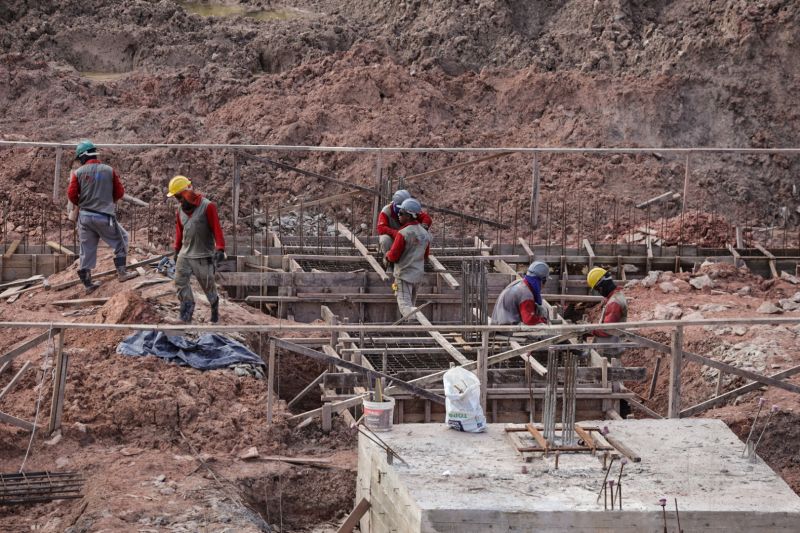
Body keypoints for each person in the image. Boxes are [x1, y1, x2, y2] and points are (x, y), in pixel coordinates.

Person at [67, 139, 137, 294]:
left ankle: (88, 284)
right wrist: (107, 201)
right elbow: (119, 193)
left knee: (86, 248)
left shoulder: (78, 173)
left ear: (83, 157)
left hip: (84, 217)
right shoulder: (108, 170)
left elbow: (71, 195)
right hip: (103, 216)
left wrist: (84, 202)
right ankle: (122, 273)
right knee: (122, 239)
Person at [167, 175, 226, 323]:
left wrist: (220, 248)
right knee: (180, 282)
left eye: (179, 197)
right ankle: (186, 314)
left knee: (208, 287)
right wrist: (176, 249)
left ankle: (214, 308)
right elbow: (180, 231)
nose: (179, 201)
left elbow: (216, 229)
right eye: (176, 198)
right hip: (185, 254)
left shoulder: (207, 206)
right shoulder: (180, 210)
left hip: (202, 255)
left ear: (186, 192)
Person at [384, 198, 431, 317]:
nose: (399, 216)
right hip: (417, 276)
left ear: (409, 216)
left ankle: (418, 325)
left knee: (406, 308)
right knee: (411, 306)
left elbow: (394, 256)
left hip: (404, 275)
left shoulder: (403, 233)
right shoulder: (425, 234)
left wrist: (387, 257)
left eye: (401, 213)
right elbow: (425, 255)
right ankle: (413, 326)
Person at [491, 261, 550, 325]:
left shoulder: (520, 283)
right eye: (545, 282)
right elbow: (529, 320)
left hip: (500, 321)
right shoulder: (526, 294)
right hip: (506, 328)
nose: (544, 286)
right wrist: (542, 320)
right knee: (543, 331)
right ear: (541, 281)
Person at [377, 189, 433, 256]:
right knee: (385, 240)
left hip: (409, 237)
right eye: (400, 210)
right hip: (394, 238)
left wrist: (423, 228)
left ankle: (418, 258)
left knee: (426, 234)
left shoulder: (410, 208)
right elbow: (381, 228)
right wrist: (395, 233)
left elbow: (426, 218)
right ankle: (389, 261)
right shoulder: (386, 211)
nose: (400, 212)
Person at [585, 267, 628, 349]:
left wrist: (589, 329)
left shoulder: (614, 303)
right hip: (610, 345)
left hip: (610, 349)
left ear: (602, 285)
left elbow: (606, 331)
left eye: (598, 289)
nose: (599, 292)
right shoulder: (616, 296)